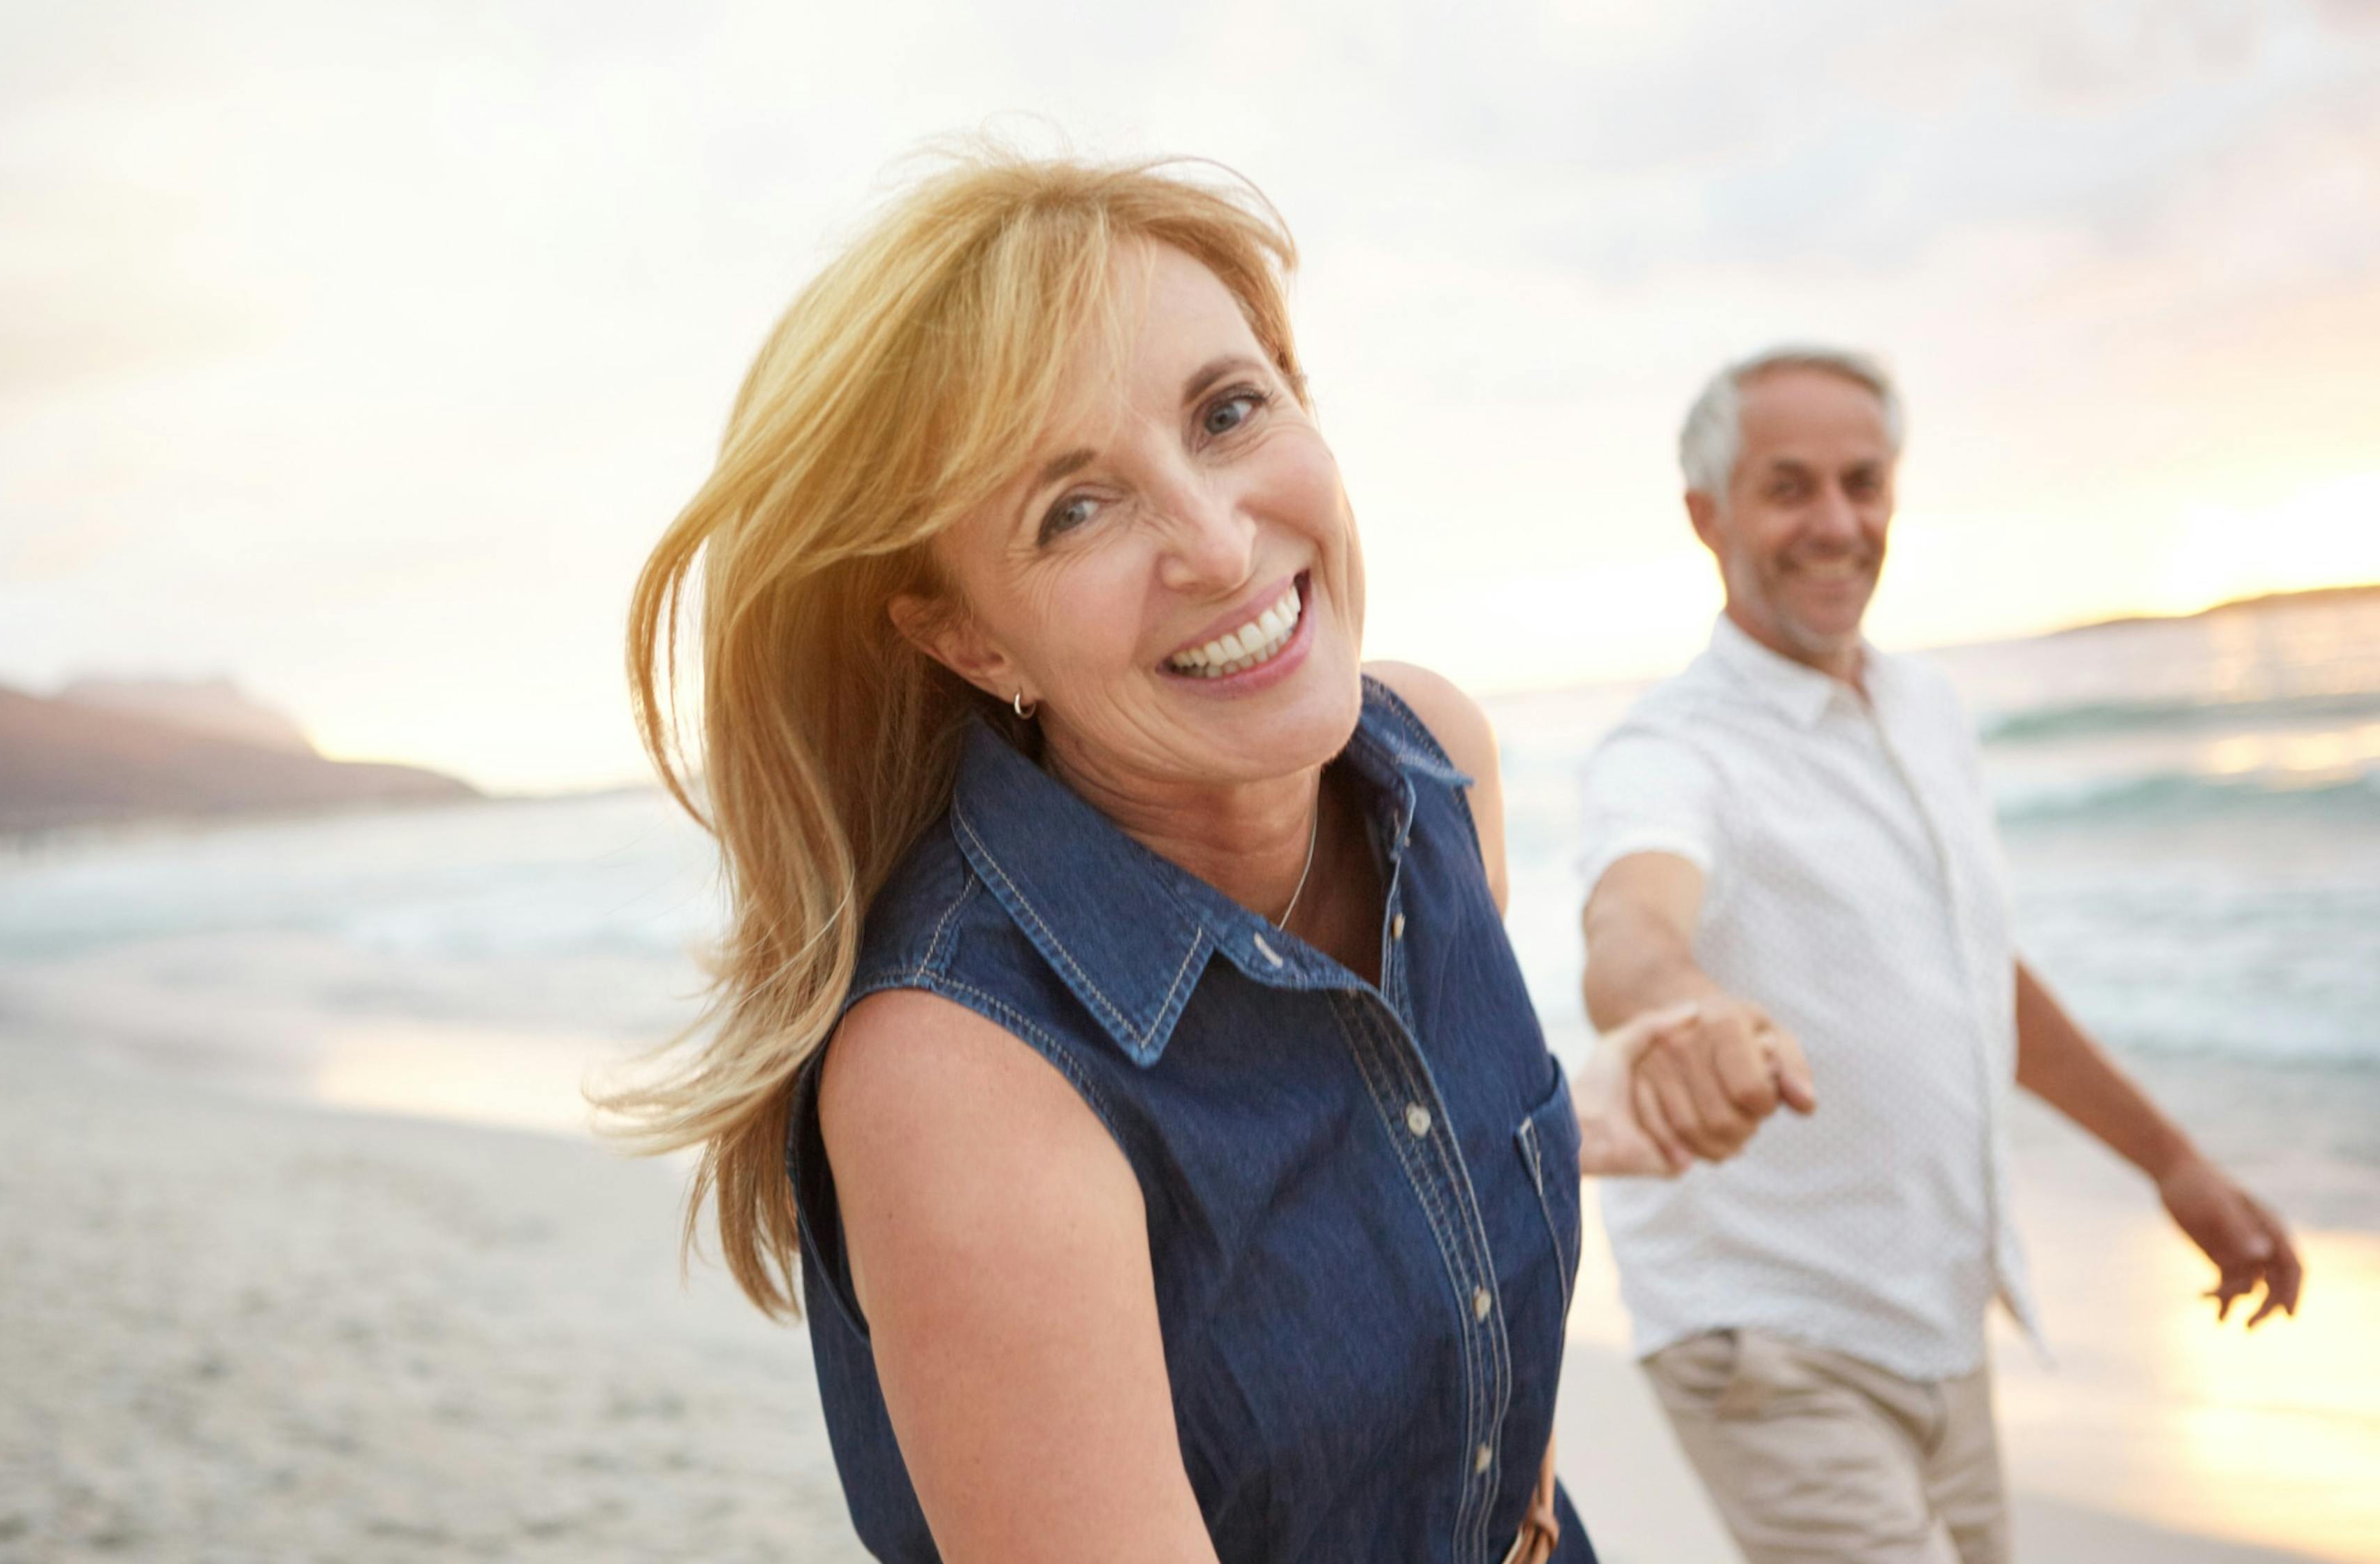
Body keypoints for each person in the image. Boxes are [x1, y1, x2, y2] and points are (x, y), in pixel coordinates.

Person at [609, 149, 1811, 1563]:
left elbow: (1391, 1203)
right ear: (970, 637)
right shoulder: (961, 1071)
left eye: (1228, 412)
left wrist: (1572, 1113)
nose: (1219, 541)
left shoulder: (1436, 763)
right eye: (1074, 507)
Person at [1576, 344, 2307, 1564]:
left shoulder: (1927, 709)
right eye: (1789, 486)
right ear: (1707, 516)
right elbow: (1629, 929)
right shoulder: (1669, 752)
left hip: (1937, 1324)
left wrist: (2172, 1162)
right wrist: (1686, 1014)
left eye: (1864, 483)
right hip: (1767, 1340)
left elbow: (1977, 973)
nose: (1837, 522)